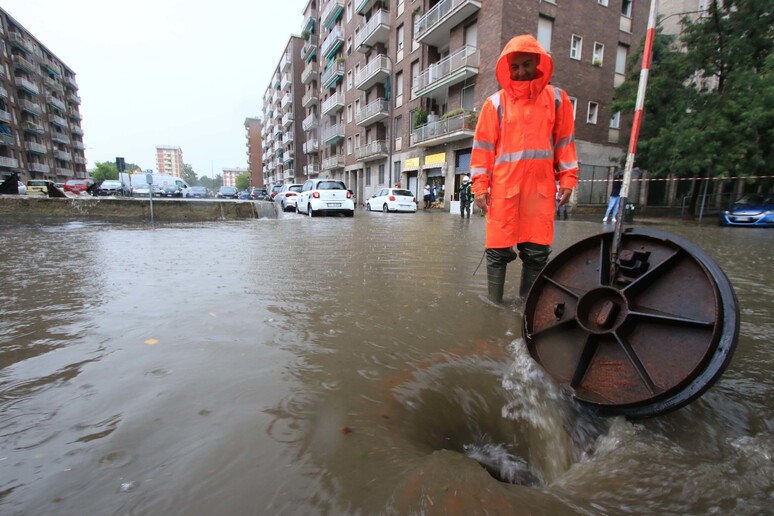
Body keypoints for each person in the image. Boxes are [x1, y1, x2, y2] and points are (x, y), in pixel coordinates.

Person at [471, 34, 579, 303]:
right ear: (507, 70)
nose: (521, 71)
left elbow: (565, 143)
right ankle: (495, 307)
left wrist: (568, 178)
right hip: (503, 192)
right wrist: (480, 186)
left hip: (539, 192)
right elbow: (482, 150)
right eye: (515, 67)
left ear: (538, 64)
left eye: (526, 64)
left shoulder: (557, 99)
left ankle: (526, 310)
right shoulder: (494, 104)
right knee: (496, 251)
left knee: (537, 252)